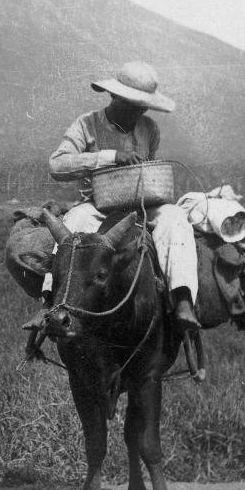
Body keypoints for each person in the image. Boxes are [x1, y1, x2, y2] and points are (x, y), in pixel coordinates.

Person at [48, 60, 200, 329]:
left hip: (141, 204)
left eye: (142, 106)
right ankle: (50, 302)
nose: (139, 111)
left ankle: (183, 298)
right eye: (133, 105)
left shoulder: (149, 128)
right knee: (72, 227)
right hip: (96, 205)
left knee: (176, 218)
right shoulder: (87, 124)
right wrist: (111, 157)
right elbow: (57, 165)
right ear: (114, 96)